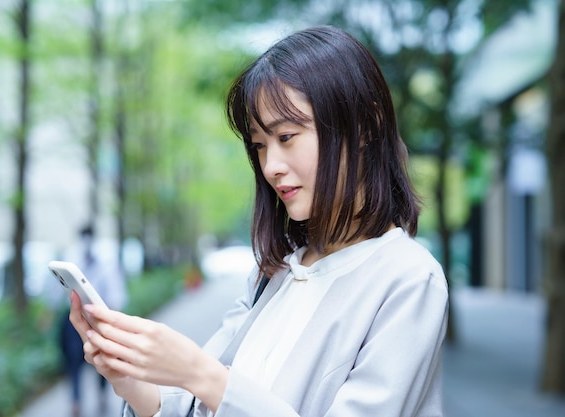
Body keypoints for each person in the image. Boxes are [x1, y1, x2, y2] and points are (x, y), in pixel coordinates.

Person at [69, 25, 449, 417]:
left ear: (365, 126)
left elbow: (211, 385)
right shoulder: (276, 273)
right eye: (259, 146)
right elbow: (192, 406)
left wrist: (202, 374)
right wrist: (128, 375)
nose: (270, 167)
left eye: (286, 137)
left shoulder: (408, 280)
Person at [58, 225, 127, 417]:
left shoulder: (105, 260)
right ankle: (76, 400)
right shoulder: (71, 258)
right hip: (74, 316)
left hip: (98, 317)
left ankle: (103, 394)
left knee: (100, 357)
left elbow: (115, 291)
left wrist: (113, 318)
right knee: (73, 360)